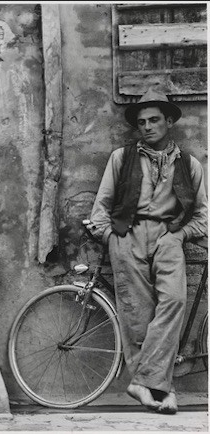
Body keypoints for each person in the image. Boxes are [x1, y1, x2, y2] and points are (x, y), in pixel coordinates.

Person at [88, 88, 208, 414]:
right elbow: (100, 210)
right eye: (141, 122)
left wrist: (180, 235)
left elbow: (203, 217)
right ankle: (162, 390)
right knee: (137, 313)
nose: (147, 126)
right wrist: (112, 237)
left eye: (154, 120)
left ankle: (145, 383)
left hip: (170, 236)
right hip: (128, 235)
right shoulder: (121, 158)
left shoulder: (190, 164)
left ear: (169, 121)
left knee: (174, 302)